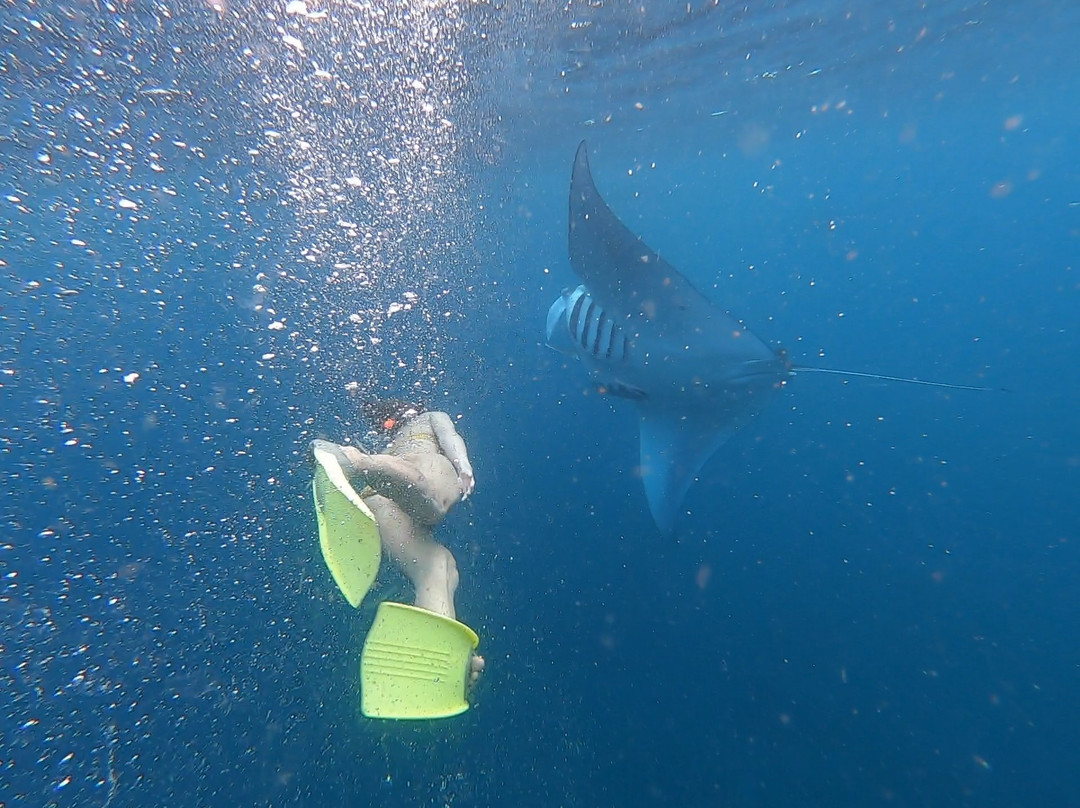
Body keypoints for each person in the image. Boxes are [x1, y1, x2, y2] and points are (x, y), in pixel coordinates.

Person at [311, 403, 484, 685]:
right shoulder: (430, 418)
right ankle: (353, 460)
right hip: (416, 472)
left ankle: (437, 658)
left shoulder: (392, 443)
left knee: (438, 567)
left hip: (378, 500)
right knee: (438, 501)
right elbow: (451, 436)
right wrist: (463, 466)